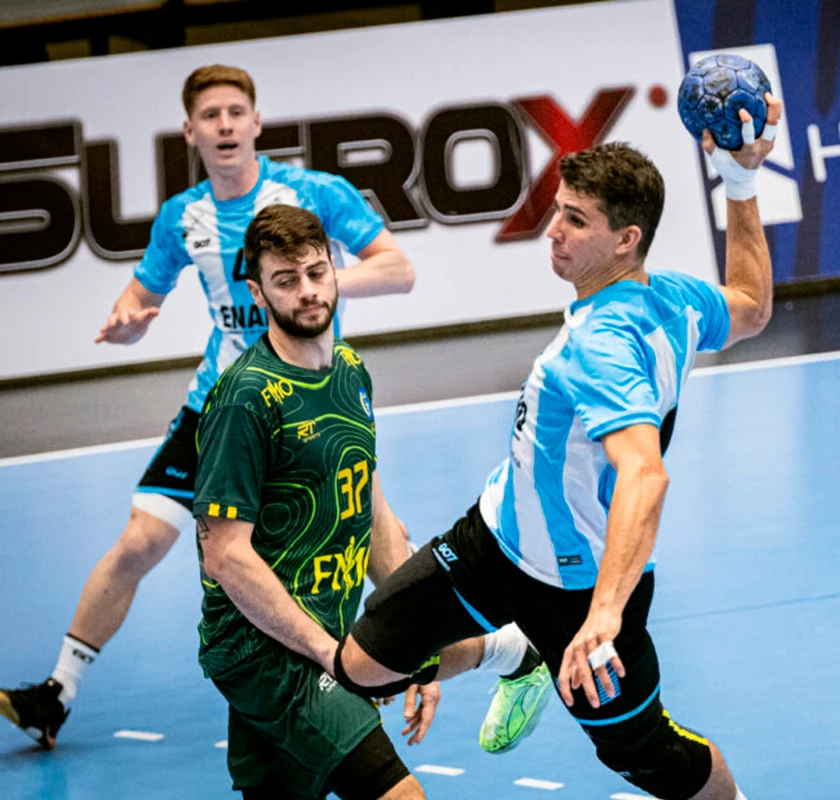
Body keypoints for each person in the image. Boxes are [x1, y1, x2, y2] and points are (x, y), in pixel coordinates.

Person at [0, 64, 549, 752]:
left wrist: (305, 283)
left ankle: (508, 651)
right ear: (190, 131)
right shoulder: (184, 218)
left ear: (256, 124)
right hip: (220, 409)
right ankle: (57, 693)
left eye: (237, 112)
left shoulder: (313, 194)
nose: (225, 124)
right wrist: (129, 319)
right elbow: (142, 295)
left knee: (386, 556)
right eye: (212, 115)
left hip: (315, 406)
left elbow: (398, 269)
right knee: (140, 541)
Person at [332, 97, 783, 800]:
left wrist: (603, 616)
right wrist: (741, 181)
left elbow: (645, 477)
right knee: (363, 665)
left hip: (580, 588)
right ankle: (514, 650)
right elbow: (752, 307)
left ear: (626, 239)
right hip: (497, 536)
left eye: (576, 220)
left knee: (651, 759)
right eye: (559, 210)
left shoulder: (600, 347)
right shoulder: (676, 300)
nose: (554, 231)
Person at [194, 203, 449, 798]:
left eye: (316, 272)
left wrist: (419, 648)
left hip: (321, 636)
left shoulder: (351, 373)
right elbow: (225, 556)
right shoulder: (246, 399)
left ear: (334, 270)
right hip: (265, 650)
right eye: (286, 281)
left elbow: (377, 518)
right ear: (258, 293)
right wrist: (334, 656)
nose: (307, 292)